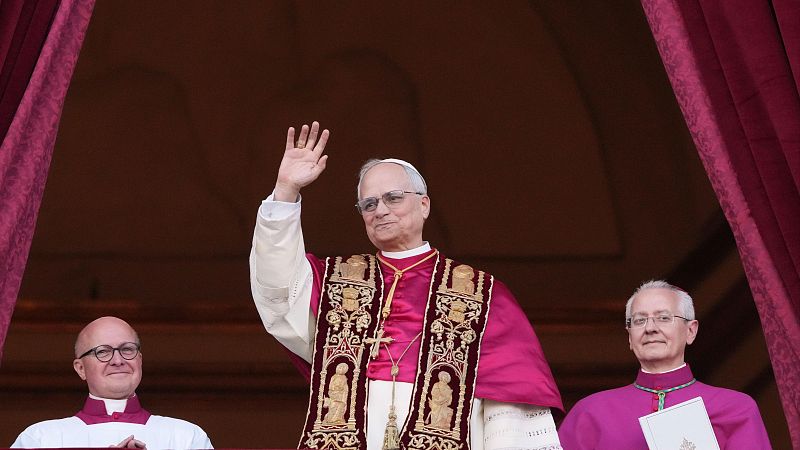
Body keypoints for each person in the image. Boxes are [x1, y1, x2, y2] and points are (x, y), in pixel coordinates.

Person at [249, 121, 563, 449]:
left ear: (424, 204)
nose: (380, 210)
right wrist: (286, 191)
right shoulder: (338, 282)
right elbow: (278, 289)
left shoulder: (481, 293)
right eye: (369, 204)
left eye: (393, 198)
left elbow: (509, 404)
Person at [558, 280, 771, 449]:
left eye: (663, 318)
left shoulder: (735, 408)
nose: (650, 328)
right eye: (640, 320)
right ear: (630, 337)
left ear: (690, 331)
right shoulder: (590, 412)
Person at [11, 316, 212, 449]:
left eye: (127, 349)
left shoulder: (186, 438)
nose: (118, 360)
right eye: (103, 352)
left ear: (139, 360)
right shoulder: (40, 439)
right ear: (80, 368)